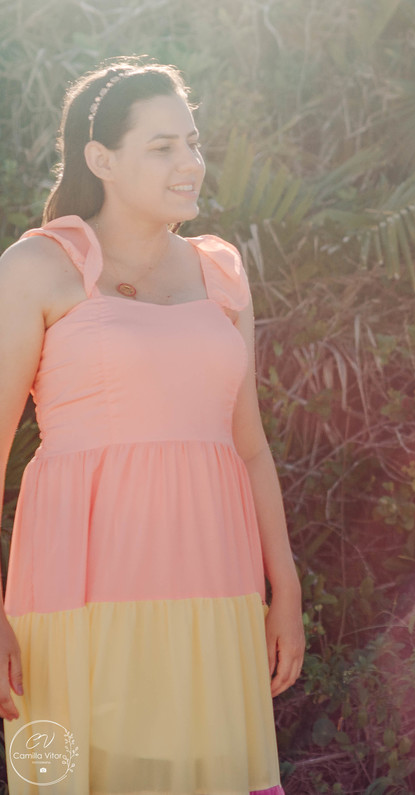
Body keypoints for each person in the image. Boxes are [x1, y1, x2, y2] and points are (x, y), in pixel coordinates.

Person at [0, 59, 303, 794]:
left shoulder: (221, 273)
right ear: (101, 160)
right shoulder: (39, 266)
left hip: (214, 587)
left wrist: (285, 589)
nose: (190, 163)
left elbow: (250, 447)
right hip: (77, 594)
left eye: (193, 143)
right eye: (162, 147)